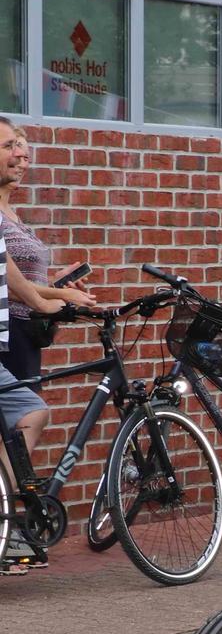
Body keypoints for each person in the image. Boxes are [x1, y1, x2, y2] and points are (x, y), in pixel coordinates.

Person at [0, 119, 94, 467]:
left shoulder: (13, 216)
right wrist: (54, 298)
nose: (21, 158)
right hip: (8, 330)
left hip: (24, 333)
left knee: (21, 423)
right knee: (25, 416)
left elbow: (17, 274)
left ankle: (8, 512)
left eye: (23, 152)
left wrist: (56, 286)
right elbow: (8, 279)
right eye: (10, 148)